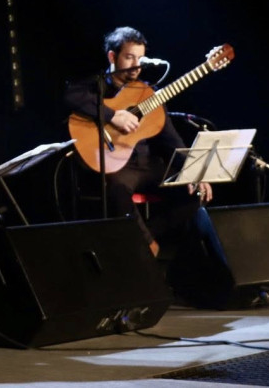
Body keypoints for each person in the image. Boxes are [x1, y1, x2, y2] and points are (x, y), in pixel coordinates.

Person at [64, 26, 212, 257]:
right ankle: (145, 245)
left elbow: (172, 140)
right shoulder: (97, 84)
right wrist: (113, 115)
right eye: (129, 57)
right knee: (117, 187)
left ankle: (144, 238)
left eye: (140, 58)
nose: (136, 64)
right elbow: (71, 96)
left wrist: (195, 170)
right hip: (117, 167)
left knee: (194, 192)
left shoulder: (147, 94)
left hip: (146, 163)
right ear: (112, 56)